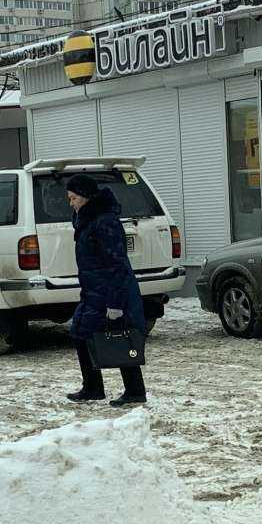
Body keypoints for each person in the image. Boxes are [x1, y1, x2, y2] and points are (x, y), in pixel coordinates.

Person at [64, 173, 148, 408]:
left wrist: (115, 304)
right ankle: (93, 387)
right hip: (94, 290)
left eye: (73, 198)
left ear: (85, 197)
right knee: (81, 332)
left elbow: (117, 264)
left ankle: (134, 391)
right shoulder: (88, 220)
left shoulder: (105, 222)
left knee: (120, 335)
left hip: (112, 291)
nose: (70, 203)